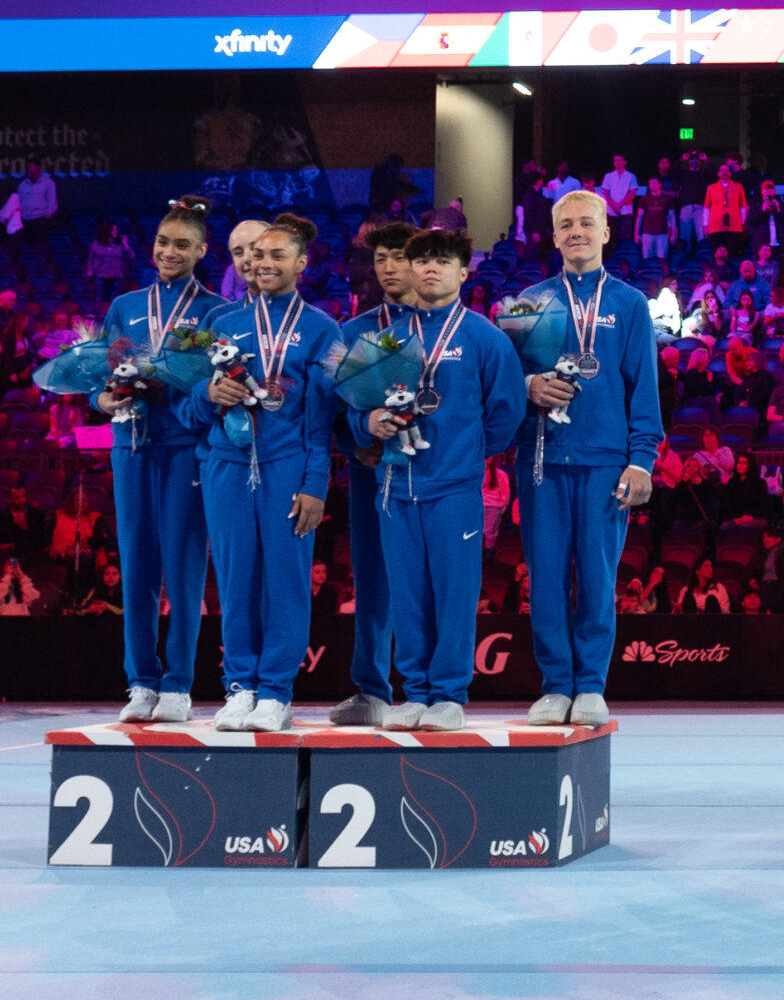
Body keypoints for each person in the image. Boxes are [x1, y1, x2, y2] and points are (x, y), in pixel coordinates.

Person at [359, 230, 530, 730]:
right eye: (421, 262)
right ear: (410, 271)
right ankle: (415, 692)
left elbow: (507, 412)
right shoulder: (386, 340)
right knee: (407, 593)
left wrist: (466, 453)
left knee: (454, 593)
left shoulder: (485, 338)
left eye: (442, 261)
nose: (430, 269)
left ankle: (450, 695)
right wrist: (369, 422)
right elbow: (358, 404)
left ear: (463, 271)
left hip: (454, 488)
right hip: (395, 486)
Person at [179, 214, 342, 733]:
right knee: (235, 582)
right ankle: (240, 687)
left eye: (276, 255)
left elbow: (322, 419)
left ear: (301, 262)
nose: (262, 263)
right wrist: (207, 394)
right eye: (256, 255)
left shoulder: (321, 328)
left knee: (286, 583)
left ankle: (275, 692)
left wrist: (315, 484)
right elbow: (187, 409)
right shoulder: (221, 323)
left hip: (287, 467)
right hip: (226, 467)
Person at [516, 192, 663, 729]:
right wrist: (528, 385)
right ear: (554, 236)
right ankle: (556, 685)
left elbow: (643, 388)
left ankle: (592, 685)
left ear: (605, 232)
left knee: (599, 577)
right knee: (546, 577)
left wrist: (641, 460)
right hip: (542, 458)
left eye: (586, 223)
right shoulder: (528, 302)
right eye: (565, 224)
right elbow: (504, 381)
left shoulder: (629, 303)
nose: (576, 231)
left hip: (605, 460)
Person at [100, 197, 220, 723]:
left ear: (201, 250)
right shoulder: (125, 305)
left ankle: (178, 684)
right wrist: (103, 399)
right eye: (162, 242)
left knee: (184, 566)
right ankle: (141, 682)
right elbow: (100, 376)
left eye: (182, 245)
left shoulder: (215, 310)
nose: (169, 252)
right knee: (136, 565)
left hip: (184, 446)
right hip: (130, 446)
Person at [325, 223, 416, 726]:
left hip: (431, 471)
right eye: (381, 259)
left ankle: (431, 689)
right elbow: (333, 410)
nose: (388, 268)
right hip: (372, 473)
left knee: (428, 579)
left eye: (399, 257)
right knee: (374, 581)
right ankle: (372, 690)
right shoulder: (351, 332)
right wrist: (359, 438)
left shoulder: (444, 326)